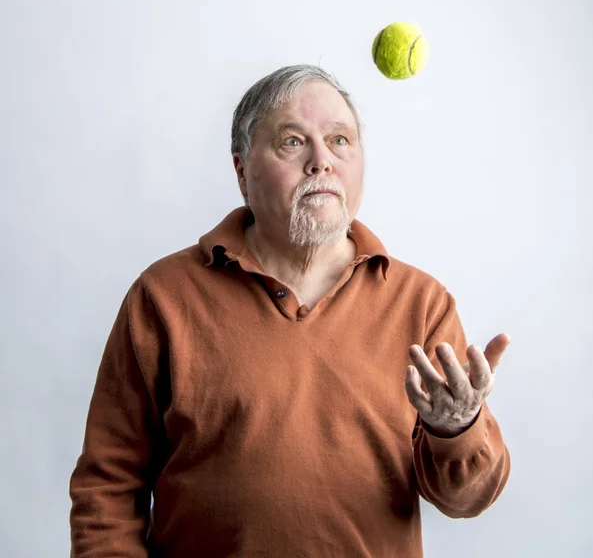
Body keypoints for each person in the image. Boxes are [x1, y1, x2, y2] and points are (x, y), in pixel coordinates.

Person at [69, 64, 512, 557]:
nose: (321, 161)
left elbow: (466, 500)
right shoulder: (164, 297)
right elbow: (107, 486)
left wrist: (456, 429)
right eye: (293, 141)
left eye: (340, 140)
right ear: (241, 171)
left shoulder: (421, 303)